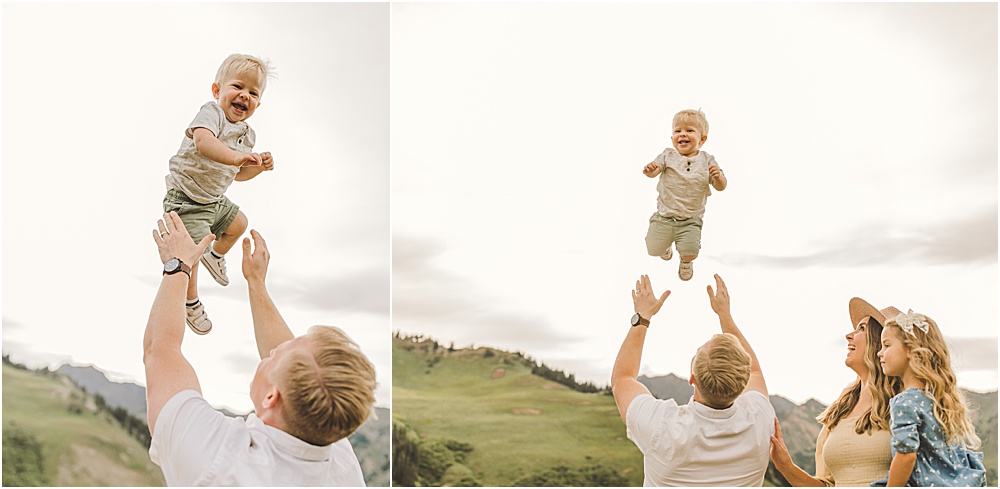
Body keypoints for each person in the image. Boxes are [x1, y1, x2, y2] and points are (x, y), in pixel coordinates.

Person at [144, 211, 377, 486]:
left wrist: (178, 264)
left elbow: (160, 350)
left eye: (277, 357)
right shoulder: (339, 462)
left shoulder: (216, 459)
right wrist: (256, 283)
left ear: (271, 398)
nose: (273, 351)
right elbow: (297, 371)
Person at [612, 274, 774, 486]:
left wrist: (642, 317)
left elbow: (622, 378)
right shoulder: (760, 419)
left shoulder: (662, 426)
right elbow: (755, 372)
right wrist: (725, 316)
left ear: (691, 378)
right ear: (742, 382)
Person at [162, 53, 276, 335]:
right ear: (217, 91)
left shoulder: (246, 135)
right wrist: (236, 158)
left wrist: (256, 167)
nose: (244, 96)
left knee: (239, 224)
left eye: (253, 92)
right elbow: (203, 143)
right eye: (238, 87)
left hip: (213, 199)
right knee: (191, 251)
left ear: (257, 104)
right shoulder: (211, 114)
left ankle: (215, 256)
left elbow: (237, 175)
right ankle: (190, 301)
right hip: (186, 198)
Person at [770, 298, 904, 486]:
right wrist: (786, 467)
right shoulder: (840, 409)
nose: (849, 335)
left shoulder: (905, 402)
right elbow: (826, 485)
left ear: (882, 342)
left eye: (862, 329)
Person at [871, 309, 986, 487]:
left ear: (910, 349)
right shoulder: (943, 400)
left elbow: (906, 456)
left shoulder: (904, 402)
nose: (880, 353)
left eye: (886, 345)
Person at [641, 109, 727, 281]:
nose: (682, 134)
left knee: (691, 252)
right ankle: (665, 247)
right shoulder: (667, 155)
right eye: (677, 131)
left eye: (689, 130)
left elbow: (721, 186)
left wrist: (718, 177)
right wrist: (651, 170)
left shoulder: (707, 160)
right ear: (672, 137)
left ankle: (685, 262)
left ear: (702, 139)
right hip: (664, 217)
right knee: (653, 249)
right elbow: (655, 170)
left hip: (690, 220)